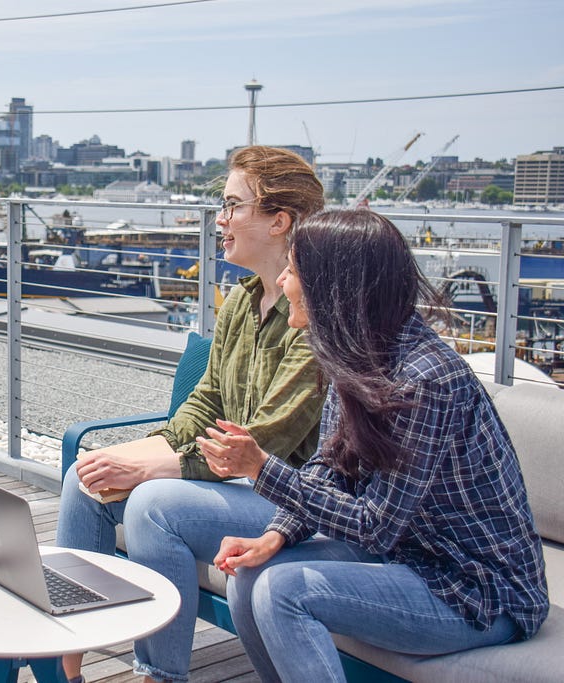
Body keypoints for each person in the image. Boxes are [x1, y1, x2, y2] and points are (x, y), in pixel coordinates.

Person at [209, 209, 549, 682]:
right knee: (248, 579)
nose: (283, 279)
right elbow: (330, 468)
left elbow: (374, 526)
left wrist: (262, 468)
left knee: (285, 590)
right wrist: (275, 535)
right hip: (412, 559)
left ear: (332, 288)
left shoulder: (425, 380)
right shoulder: (358, 357)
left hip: (478, 590)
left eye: (294, 270)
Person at [57, 146, 328, 683]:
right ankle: (64, 667)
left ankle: (160, 676)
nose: (220, 220)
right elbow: (203, 404)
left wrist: (152, 469)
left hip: (285, 497)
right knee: (84, 479)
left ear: (279, 221)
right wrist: (138, 453)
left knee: (156, 505)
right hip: (230, 477)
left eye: (232, 206)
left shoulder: (313, 317)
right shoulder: (242, 302)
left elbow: (262, 442)